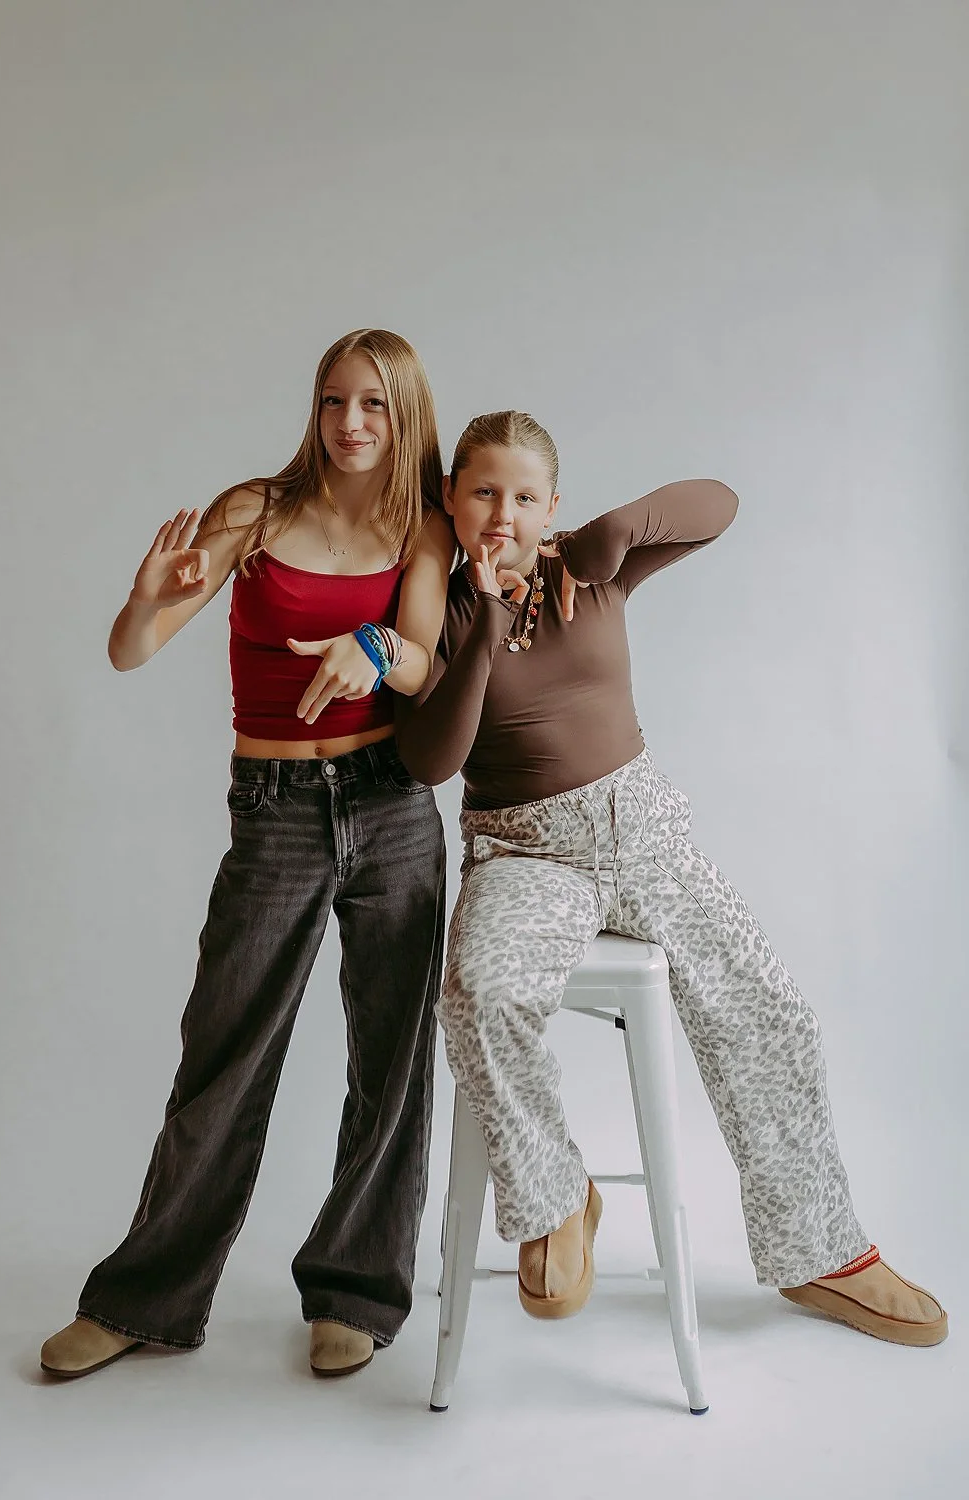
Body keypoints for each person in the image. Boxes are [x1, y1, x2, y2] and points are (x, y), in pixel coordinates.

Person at [394, 409, 947, 1347]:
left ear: (551, 506)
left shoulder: (586, 568)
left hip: (644, 827)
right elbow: (431, 763)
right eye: (483, 491)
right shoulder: (435, 614)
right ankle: (558, 1199)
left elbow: (718, 505)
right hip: (527, 850)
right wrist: (484, 626)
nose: (503, 515)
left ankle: (824, 1254)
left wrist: (619, 532)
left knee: (767, 1007)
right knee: (478, 991)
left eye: (525, 497)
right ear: (451, 501)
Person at [40, 329, 456, 1382]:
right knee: (222, 1055)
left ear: (403, 415)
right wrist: (149, 592)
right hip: (275, 808)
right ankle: (147, 1299)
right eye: (331, 401)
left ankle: (356, 1293)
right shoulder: (254, 513)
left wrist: (370, 650)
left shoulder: (425, 528)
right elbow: (131, 649)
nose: (350, 423)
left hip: (389, 801)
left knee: (391, 1063)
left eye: (372, 405)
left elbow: (414, 665)